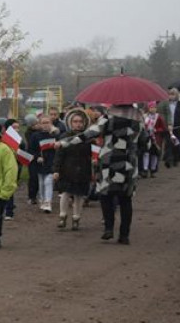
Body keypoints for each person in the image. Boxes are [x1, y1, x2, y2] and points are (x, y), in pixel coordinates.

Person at [55, 104, 148, 245]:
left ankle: (108, 229)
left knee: (106, 196)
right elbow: (145, 142)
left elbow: (87, 134)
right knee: (125, 200)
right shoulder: (138, 119)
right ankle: (124, 235)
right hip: (128, 164)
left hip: (109, 162)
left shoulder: (107, 118)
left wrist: (65, 142)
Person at [52, 109, 91, 231]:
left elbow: (93, 153)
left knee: (79, 195)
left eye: (80, 121)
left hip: (83, 169)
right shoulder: (64, 136)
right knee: (65, 193)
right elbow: (59, 155)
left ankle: (76, 218)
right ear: (70, 122)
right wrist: (56, 170)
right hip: (67, 169)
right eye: (75, 121)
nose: (78, 124)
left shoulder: (88, 137)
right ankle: (62, 216)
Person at [27, 114, 57, 213]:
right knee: (41, 183)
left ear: (51, 123)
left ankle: (48, 202)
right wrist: (37, 157)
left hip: (51, 162)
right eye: (43, 123)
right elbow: (31, 149)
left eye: (47, 122)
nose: (45, 125)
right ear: (39, 124)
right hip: (40, 163)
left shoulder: (55, 134)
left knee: (48, 181)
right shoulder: (35, 136)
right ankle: (42, 199)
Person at [156, 83, 180, 168]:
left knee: (176, 144)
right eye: (170, 94)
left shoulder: (178, 104)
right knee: (168, 143)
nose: (171, 96)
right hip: (167, 126)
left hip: (177, 126)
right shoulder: (165, 103)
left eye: (173, 94)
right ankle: (168, 159)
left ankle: (176, 159)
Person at [141, 103, 166, 177]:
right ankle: (145, 170)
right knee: (146, 154)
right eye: (151, 107)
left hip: (156, 138)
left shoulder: (158, 117)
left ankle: (153, 170)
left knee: (154, 155)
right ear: (148, 108)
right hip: (146, 138)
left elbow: (163, 127)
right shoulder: (144, 116)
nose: (153, 109)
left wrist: (156, 130)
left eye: (154, 107)